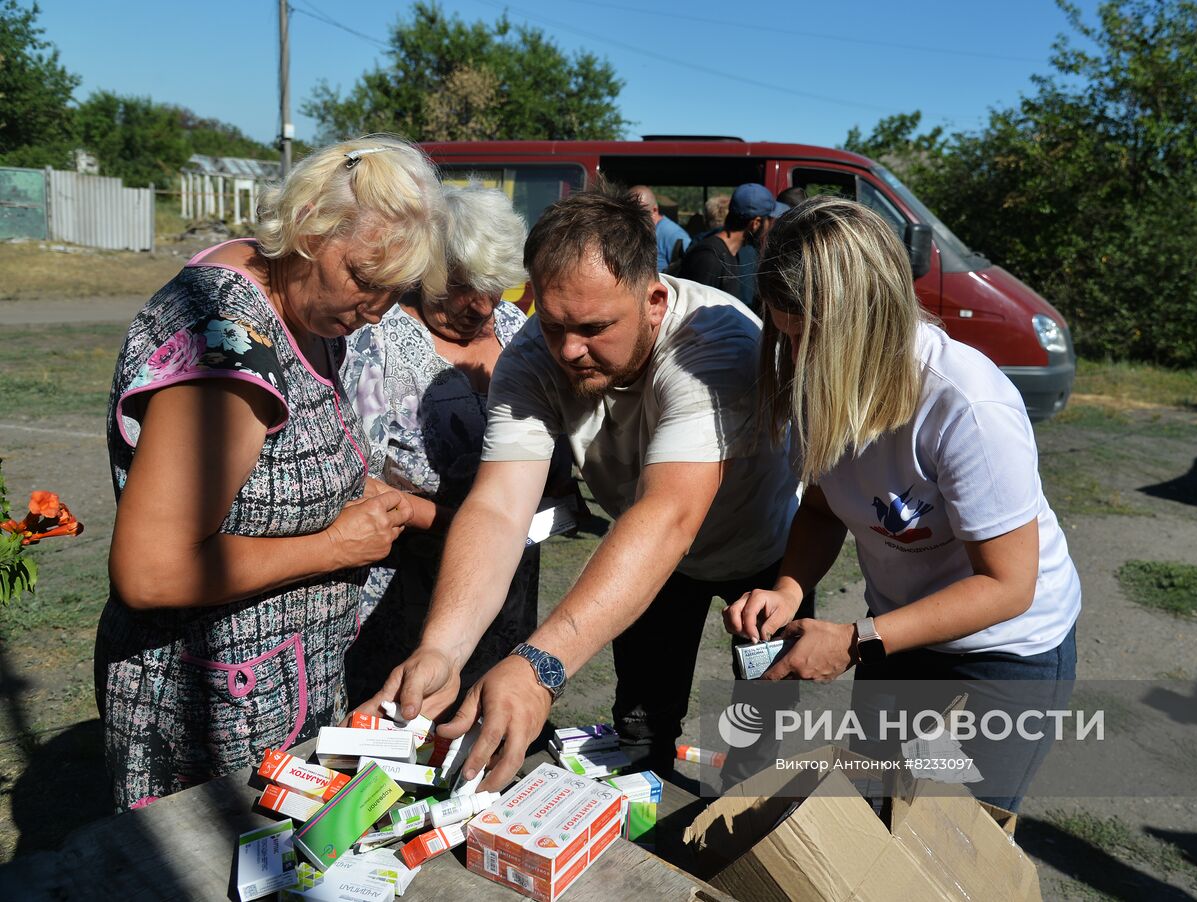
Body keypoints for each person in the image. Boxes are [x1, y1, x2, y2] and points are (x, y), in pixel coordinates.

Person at [364, 185, 805, 788]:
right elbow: (497, 507)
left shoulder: (716, 348)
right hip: (649, 558)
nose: (570, 351)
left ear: (654, 301)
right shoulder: (531, 357)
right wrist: (443, 647)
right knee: (641, 727)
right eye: (553, 325)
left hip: (753, 549)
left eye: (596, 327)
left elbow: (669, 513)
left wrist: (541, 663)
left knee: (767, 736)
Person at [97, 136, 443, 810]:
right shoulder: (229, 340)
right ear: (310, 223)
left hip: (270, 690)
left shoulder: (304, 307)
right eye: (364, 278)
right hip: (207, 707)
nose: (375, 309)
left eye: (393, 290)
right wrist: (335, 546)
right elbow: (150, 570)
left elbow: (270, 476)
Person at [724, 197, 1080, 812]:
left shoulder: (966, 405)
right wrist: (787, 588)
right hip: (898, 639)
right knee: (870, 812)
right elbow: (820, 508)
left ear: (868, 320)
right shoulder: (820, 378)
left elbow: (1007, 586)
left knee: (953, 839)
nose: (801, 361)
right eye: (786, 337)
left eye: (812, 341)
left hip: (1002, 656)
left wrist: (856, 640)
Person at [341, 186, 568, 707]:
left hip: (508, 576)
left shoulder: (518, 329)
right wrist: (468, 526)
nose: (482, 306)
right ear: (427, 269)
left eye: (496, 287)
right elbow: (360, 488)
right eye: (464, 286)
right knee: (402, 722)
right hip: (404, 587)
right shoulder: (377, 342)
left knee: (484, 712)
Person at [676, 183, 786, 310]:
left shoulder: (732, 254)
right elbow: (693, 317)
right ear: (755, 223)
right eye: (769, 221)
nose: (770, 227)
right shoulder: (708, 258)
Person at [629, 184, 691, 271]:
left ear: (654, 211)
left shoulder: (674, 235)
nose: (633, 218)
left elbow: (690, 271)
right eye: (628, 213)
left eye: (639, 213)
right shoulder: (635, 232)